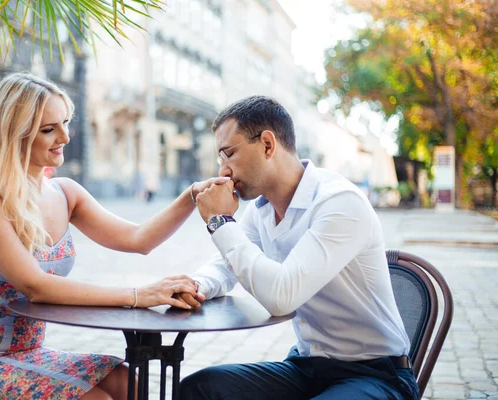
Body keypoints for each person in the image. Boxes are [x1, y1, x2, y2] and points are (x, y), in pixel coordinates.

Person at [0, 72, 225, 400]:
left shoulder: (66, 193)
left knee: (127, 379)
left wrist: (191, 195)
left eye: (65, 122)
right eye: (49, 129)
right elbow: (36, 286)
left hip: (29, 355)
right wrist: (138, 294)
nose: (66, 136)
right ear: (16, 133)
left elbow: (139, 238)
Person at [176, 96, 420, 399]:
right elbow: (225, 265)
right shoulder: (261, 210)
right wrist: (195, 286)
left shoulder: (339, 203)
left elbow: (281, 297)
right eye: (220, 160)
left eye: (228, 154)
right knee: (201, 388)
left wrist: (220, 220)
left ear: (267, 144)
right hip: (306, 368)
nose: (223, 171)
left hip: (375, 375)